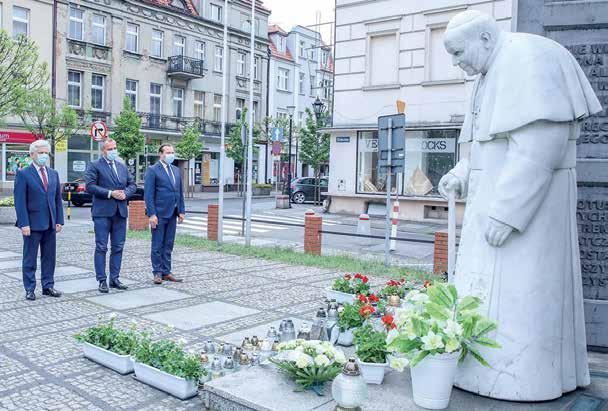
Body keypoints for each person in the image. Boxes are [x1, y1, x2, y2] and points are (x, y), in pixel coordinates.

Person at [438, 11, 601, 401]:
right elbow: (482, 140)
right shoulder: (485, 76)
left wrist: (507, 212)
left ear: (485, 39)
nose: (456, 62)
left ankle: (521, 381)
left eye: (459, 52)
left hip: (525, 215)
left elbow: (540, 145)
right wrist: (461, 171)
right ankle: (481, 370)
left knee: (523, 303)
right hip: (490, 206)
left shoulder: (529, 59)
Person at [14, 140, 64, 301]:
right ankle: (29, 288)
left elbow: (57, 199)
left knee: (49, 257)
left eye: (46, 153)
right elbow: (19, 201)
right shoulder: (23, 174)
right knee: (30, 258)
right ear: (32, 154)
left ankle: (48, 286)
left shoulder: (53, 173)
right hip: (32, 224)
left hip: (50, 223)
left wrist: (59, 220)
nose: (44, 156)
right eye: (41, 153)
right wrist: (24, 223)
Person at [84, 138, 136, 293]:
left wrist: (125, 193)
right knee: (101, 247)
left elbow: (132, 184)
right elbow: (90, 186)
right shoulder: (94, 165)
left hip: (120, 212)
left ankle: (115, 278)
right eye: (109, 149)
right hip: (102, 213)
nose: (113, 151)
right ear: (103, 151)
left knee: (118, 246)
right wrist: (110, 193)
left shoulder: (121, 166)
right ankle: (101, 280)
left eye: (114, 148)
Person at [144, 144, 185, 284]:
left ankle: (167, 271)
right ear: (160, 154)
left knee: (168, 244)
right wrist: (152, 214)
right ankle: (157, 273)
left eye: (172, 152)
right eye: (168, 152)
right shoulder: (153, 170)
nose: (171, 155)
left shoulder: (176, 170)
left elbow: (179, 192)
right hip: (159, 214)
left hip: (172, 213)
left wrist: (181, 211)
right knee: (157, 244)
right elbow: (148, 195)